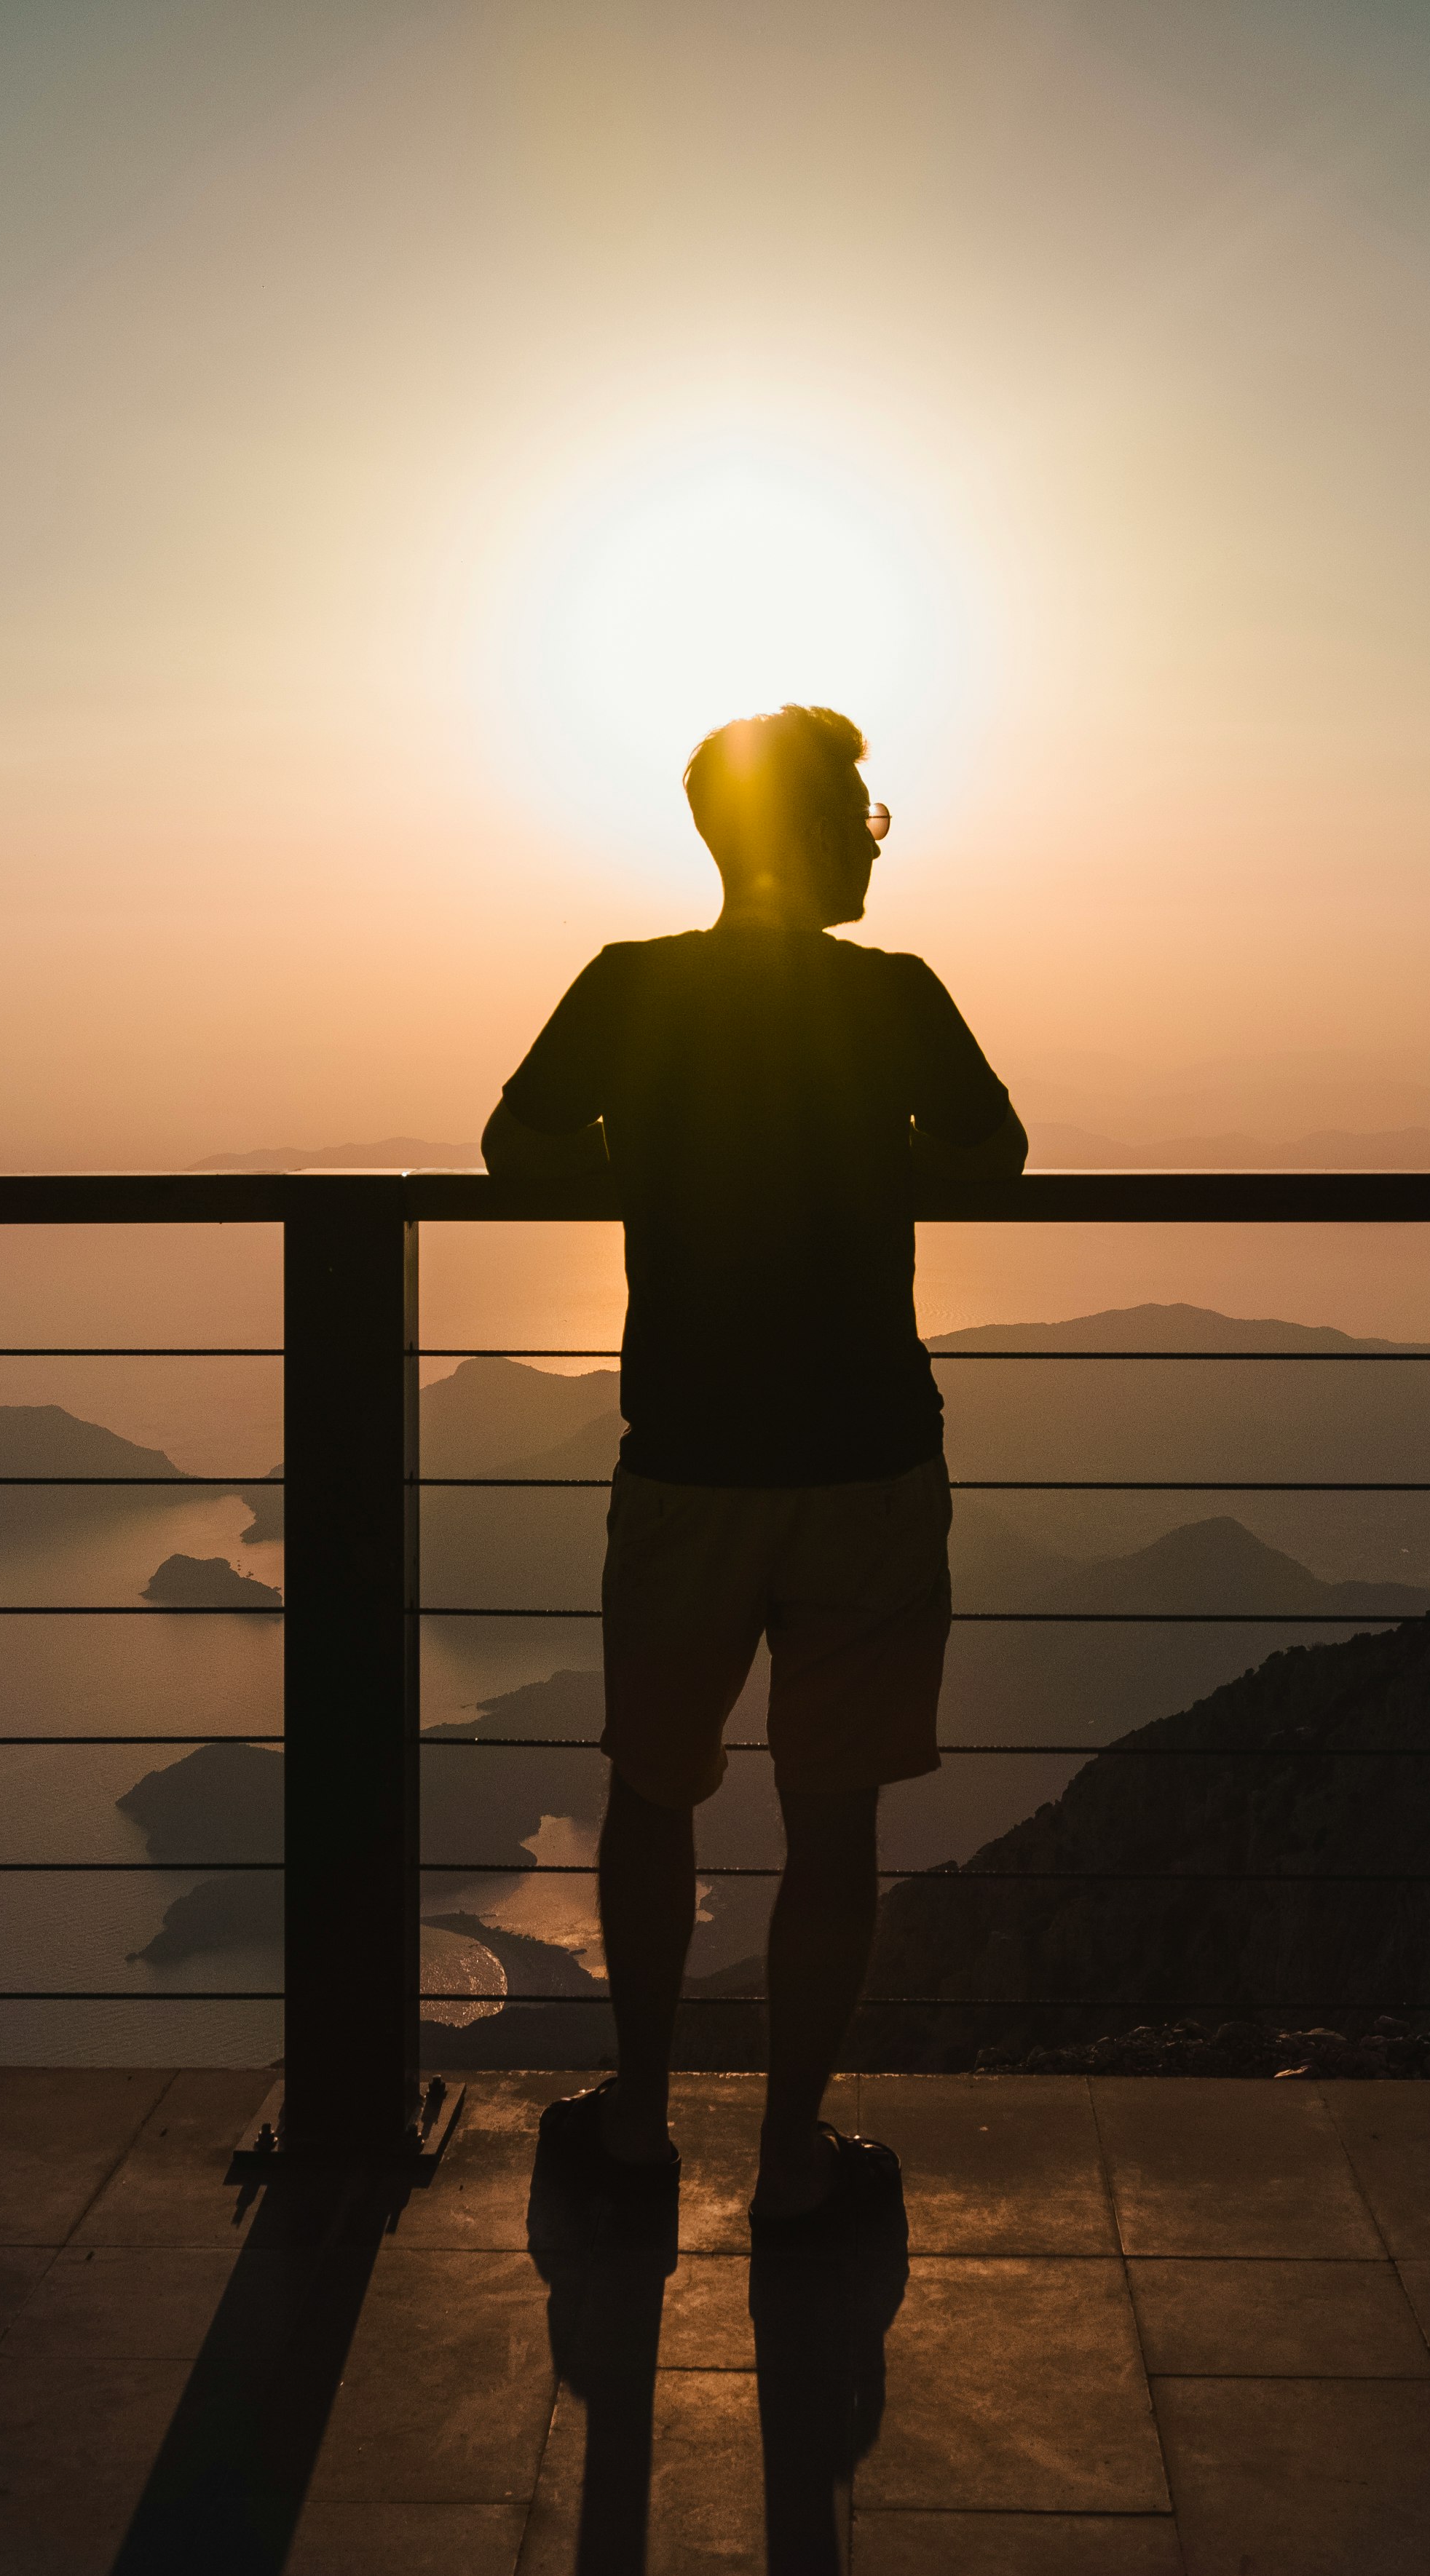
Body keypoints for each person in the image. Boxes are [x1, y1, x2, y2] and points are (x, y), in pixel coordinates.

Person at [483, 703, 1026, 2220]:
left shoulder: (628, 989)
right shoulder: (899, 999)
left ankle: (643, 2124)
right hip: (865, 1458)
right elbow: (997, 1156)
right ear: (811, 833)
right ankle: (793, 2159)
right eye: (860, 811)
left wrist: (658, 1163)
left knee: (655, 1794)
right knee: (832, 1818)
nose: (874, 837)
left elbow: (513, 1152)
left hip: (692, 1459)